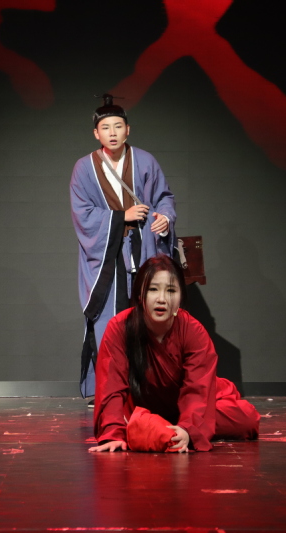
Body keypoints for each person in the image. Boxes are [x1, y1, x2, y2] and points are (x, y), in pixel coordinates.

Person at [90, 255, 260, 452]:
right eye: (153, 289)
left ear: (181, 297)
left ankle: (170, 427)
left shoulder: (193, 331)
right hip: (142, 406)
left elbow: (198, 388)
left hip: (191, 406)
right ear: (140, 294)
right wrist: (113, 433)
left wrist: (188, 428)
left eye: (171, 290)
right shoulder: (120, 327)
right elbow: (111, 384)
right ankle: (162, 426)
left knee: (246, 419)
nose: (162, 299)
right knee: (134, 422)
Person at [70, 94, 177, 399]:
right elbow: (82, 213)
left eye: (118, 126)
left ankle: (149, 387)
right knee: (109, 321)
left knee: (148, 316)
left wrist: (165, 218)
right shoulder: (84, 168)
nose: (113, 133)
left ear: (128, 130)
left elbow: (164, 197)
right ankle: (109, 390)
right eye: (106, 127)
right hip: (108, 255)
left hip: (144, 247)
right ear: (96, 133)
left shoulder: (145, 161)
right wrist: (121, 217)